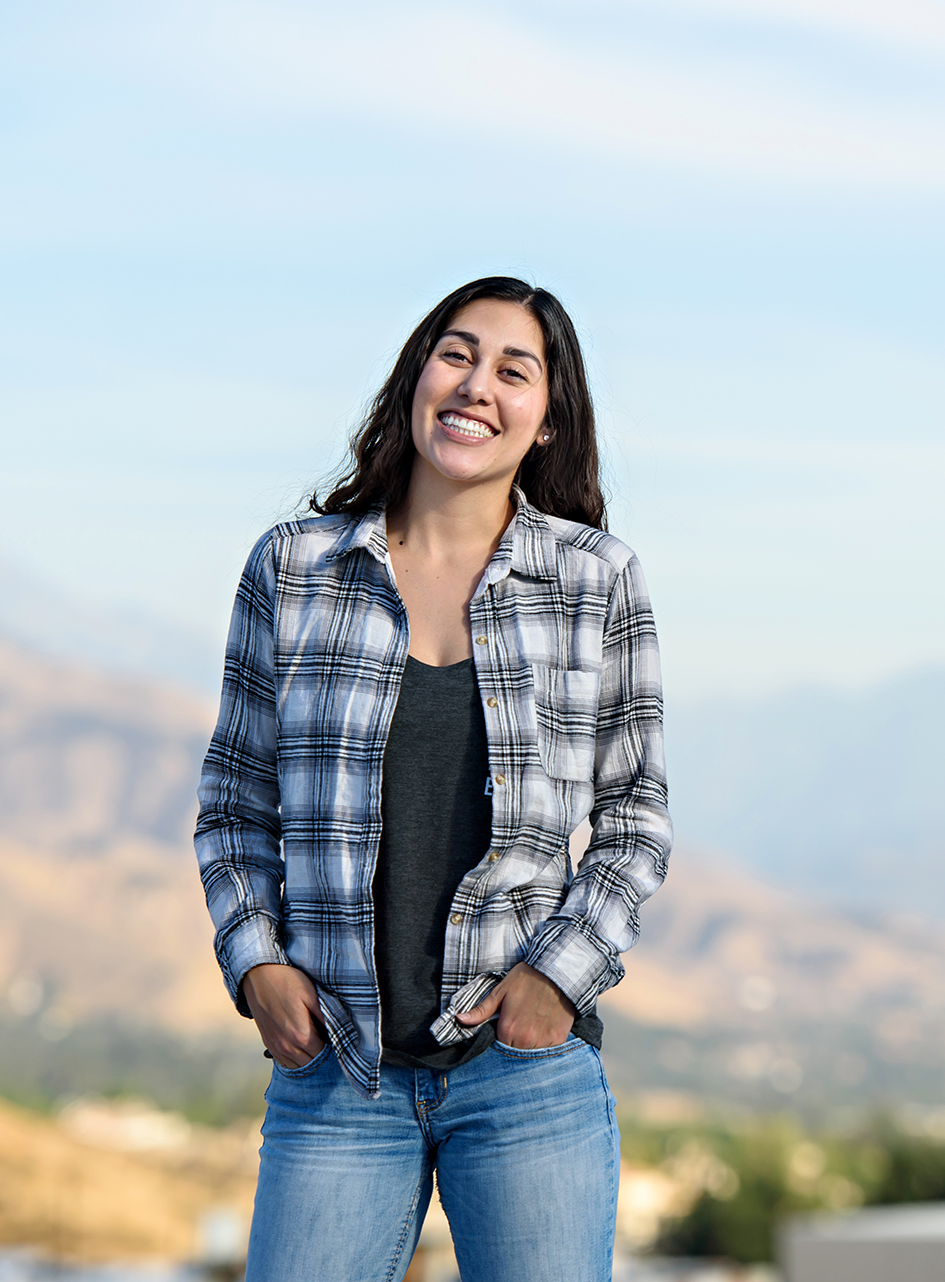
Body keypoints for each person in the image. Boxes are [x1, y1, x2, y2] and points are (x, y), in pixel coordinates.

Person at [194, 276, 671, 1282]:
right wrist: (257, 965)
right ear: (417, 374)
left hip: (526, 1074)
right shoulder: (295, 569)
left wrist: (555, 980)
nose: (477, 385)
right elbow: (236, 802)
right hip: (338, 1068)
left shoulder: (597, 581)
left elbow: (635, 818)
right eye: (457, 354)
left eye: (515, 369)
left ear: (547, 420)